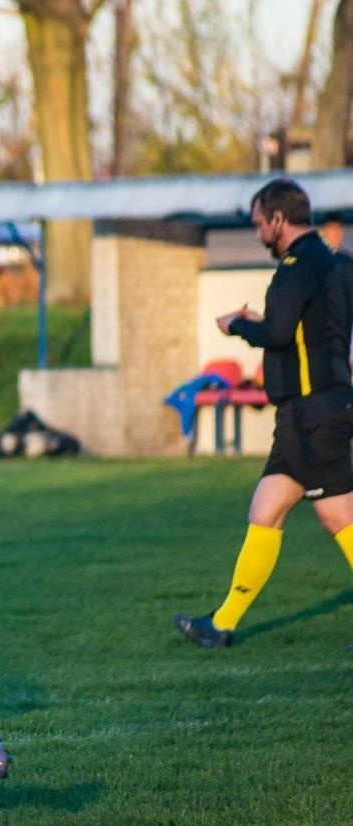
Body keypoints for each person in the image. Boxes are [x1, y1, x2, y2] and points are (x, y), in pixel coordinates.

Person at [175, 178, 353, 647]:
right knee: (266, 510)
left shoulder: (296, 266)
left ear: (278, 218)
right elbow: (309, 331)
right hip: (316, 410)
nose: (257, 235)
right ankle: (221, 625)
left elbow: (276, 334)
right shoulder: (338, 263)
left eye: (259, 224)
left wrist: (238, 324)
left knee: (338, 515)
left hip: (312, 413)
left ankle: (222, 624)